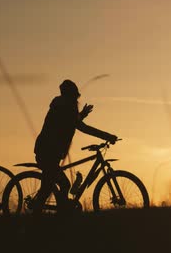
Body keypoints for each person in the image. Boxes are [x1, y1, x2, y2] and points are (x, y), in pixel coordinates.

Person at [32, 79, 117, 214]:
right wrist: (107, 136)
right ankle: (55, 214)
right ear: (72, 94)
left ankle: (55, 213)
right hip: (49, 152)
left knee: (50, 186)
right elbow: (80, 127)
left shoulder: (60, 106)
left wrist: (81, 115)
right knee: (60, 185)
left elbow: (69, 122)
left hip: (46, 150)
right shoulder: (67, 106)